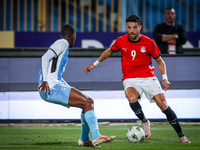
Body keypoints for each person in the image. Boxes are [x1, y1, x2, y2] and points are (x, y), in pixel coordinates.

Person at [84, 15, 191, 143]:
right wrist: (95, 64)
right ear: (126, 28)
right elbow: (109, 51)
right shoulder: (120, 41)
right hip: (130, 78)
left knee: (163, 105)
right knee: (132, 98)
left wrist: (164, 78)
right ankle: (145, 121)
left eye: (135, 27)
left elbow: (160, 61)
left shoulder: (149, 42)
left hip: (148, 77)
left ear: (139, 27)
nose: (132, 31)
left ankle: (181, 135)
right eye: (129, 27)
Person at [37, 24, 115, 148]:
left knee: (86, 104)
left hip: (52, 86)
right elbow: (45, 57)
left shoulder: (61, 44)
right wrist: (45, 81)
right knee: (88, 102)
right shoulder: (62, 43)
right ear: (73, 36)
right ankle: (96, 136)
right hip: (51, 87)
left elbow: (53, 71)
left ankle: (85, 139)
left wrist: (64, 85)